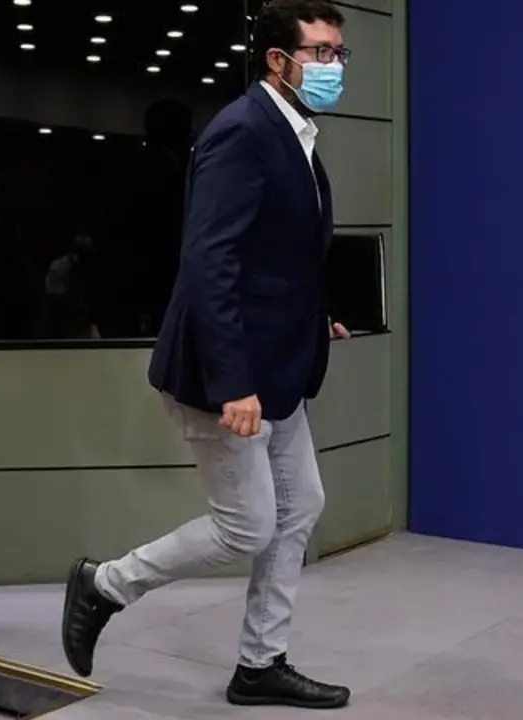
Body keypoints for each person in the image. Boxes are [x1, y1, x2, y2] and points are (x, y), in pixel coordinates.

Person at [60, 0, 353, 709]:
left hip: (278, 366)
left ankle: (260, 663)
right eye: (319, 53)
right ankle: (105, 584)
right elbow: (209, 262)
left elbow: (276, 256)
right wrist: (232, 382)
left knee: (300, 506)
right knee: (247, 523)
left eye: (338, 53)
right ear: (277, 61)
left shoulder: (294, 133)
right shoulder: (242, 132)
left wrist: (315, 317)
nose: (333, 66)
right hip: (226, 374)